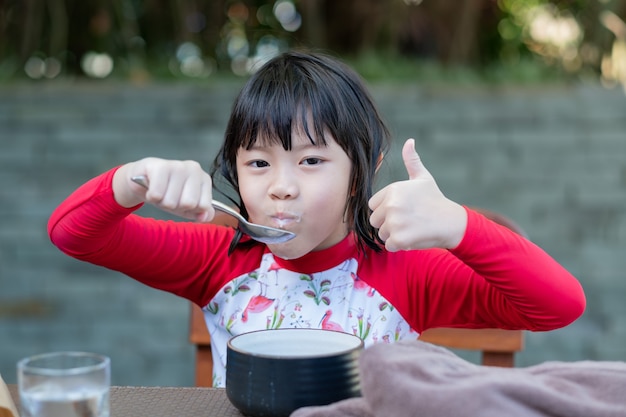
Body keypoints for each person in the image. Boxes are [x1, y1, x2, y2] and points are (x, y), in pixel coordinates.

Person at [48, 51, 586, 387]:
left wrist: (459, 227)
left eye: (311, 161)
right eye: (258, 163)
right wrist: (132, 180)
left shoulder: (406, 270)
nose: (281, 184)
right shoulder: (217, 260)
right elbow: (72, 234)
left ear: (363, 172)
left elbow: (558, 305)